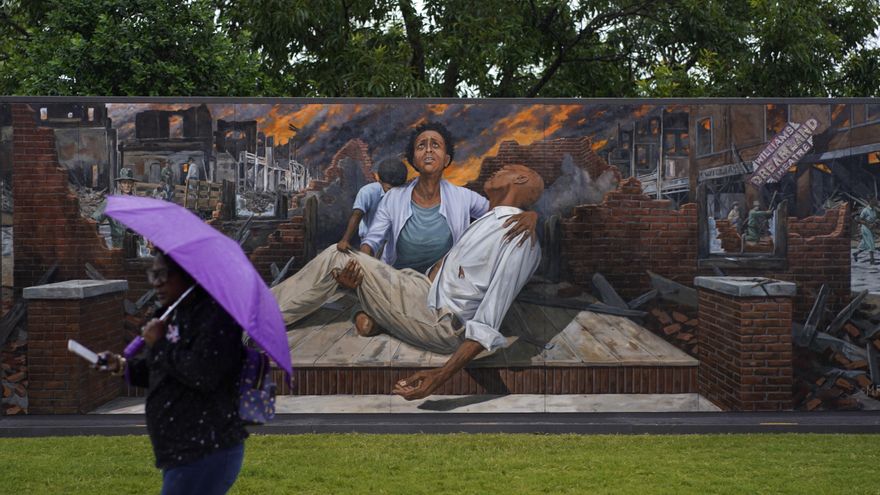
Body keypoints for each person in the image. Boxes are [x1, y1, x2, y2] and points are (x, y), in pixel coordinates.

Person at [273, 164, 544, 399]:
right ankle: (370, 309)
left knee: (336, 256)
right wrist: (533, 213)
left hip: (441, 321)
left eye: (508, 170)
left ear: (520, 180)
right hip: (418, 288)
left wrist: (440, 377)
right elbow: (375, 238)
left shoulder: (517, 235)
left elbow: (487, 322)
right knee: (348, 263)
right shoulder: (492, 219)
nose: (499, 171)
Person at [95, 251, 248, 495]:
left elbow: (202, 374)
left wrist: (160, 344)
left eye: (163, 275)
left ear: (189, 275)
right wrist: (122, 366)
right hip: (178, 450)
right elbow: (159, 371)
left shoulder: (218, 319)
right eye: (153, 274)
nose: (156, 282)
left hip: (207, 448)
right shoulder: (168, 315)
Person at [359, 122, 537, 274]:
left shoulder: (463, 197)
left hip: (442, 285)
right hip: (395, 279)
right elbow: (372, 240)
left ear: (446, 159)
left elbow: (498, 214)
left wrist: (530, 215)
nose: (428, 150)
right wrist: (362, 267)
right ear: (413, 159)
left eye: (435, 145)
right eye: (421, 146)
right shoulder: (393, 197)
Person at [336, 157, 408, 255]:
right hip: (369, 242)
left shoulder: (405, 194)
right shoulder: (368, 192)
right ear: (380, 181)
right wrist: (345, 240)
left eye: (397, 189)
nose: (393, 193)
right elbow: (357, 215)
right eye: (389, 189)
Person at [92, 167, 137, 248]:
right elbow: (94, 220)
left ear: (133, 184)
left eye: (129, 183)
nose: (127, 185)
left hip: (134, 244)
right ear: (120, 185)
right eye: (124, 182)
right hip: (118, 244)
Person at [853, 197, 878, 264]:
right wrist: (867, 224)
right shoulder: (865, 210)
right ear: (869, 202)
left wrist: (875, 223)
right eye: (874, 201)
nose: (876, 202)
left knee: (865, 244)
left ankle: (856, 253)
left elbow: (874, 219)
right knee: (871, 243)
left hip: (871, 228)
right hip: (865, 228)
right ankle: (872, 260)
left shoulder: (873, 210)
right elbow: (859, 219)